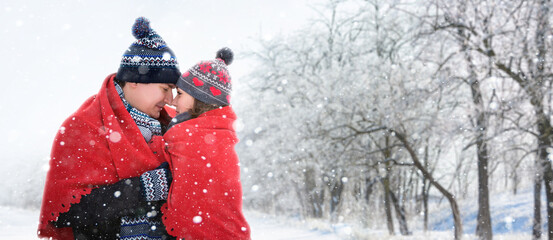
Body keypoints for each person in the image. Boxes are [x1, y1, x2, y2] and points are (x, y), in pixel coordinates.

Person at [38, 17, 180, 240]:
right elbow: (67, 213)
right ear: (136, 80)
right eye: (165, 88)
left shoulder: (173, 126)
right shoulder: (82, 127)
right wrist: (143, 188)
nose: (171, 99)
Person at [161, 48, 251, 239]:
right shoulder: (216, 133)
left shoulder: (192, 138)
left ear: (200, 99)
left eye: (181, 94)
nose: (174, 102)